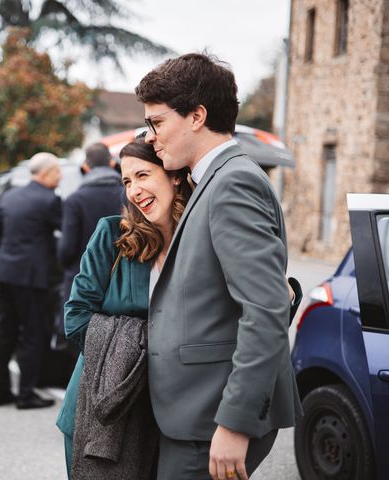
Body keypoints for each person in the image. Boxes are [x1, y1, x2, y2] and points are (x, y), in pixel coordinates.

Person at [135, 53, 302, 479]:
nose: (151, 136)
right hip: (193, 413)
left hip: (209, 421)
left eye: (157, 122)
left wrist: (234, 423)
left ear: (196, 116)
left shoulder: (233, 183)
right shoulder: (212, 179)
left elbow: (264, 311)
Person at [57, 135, 192, 478]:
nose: (134, 190)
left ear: (175, 175)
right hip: (102, 408)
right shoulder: (112, 234)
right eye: (127, 181)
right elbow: (76, 317)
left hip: (170, 411)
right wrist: (141, 350)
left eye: (143, 175)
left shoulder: (197, 240)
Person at [0, 152, 61, 409]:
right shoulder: (50, 200)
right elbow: (63, 239)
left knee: (4, 333)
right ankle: (26, 393)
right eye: (56, 171)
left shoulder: (9, 196)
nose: (60, 176)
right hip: (32, 277)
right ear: (44, 173)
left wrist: (5, 260)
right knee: (32, 335)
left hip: (6, 272)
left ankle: (0, 389)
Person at [58, 142, 124, 306]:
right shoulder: (128, 195)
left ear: (86, 167)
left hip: (82, 282)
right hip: (120, 280)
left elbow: (66, 249)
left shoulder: (75, 200)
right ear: (111, 163)